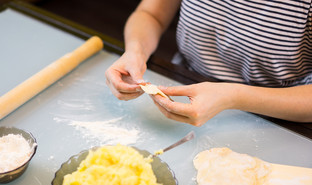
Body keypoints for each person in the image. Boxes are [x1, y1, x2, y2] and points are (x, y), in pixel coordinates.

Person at [105, 0, 312, 126]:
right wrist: (136, 51)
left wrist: (232, 96)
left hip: (275, 118)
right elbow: (151, 14)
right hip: (184, 83)